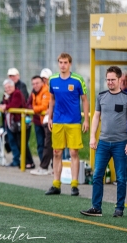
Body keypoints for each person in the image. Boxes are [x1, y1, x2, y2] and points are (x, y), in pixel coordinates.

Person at [80, 66, 127, 217]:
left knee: (121, 177)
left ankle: (119, 208)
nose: (110, 82)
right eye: (108, 79)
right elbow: (96, 117)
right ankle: (96, 207)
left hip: (120, 143)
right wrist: (92, 137)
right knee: (97, 174)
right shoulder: (101, 96)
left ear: (119, 79)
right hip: (103, 142)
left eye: (113, 80)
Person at [45, 53, 89, 196]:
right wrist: (50, 117)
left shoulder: (77, 80)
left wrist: (86, 120)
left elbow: (84, 99)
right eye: (60, 62)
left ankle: (74, 185)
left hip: (74, 122)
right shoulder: (52, 80)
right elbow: (51, 100)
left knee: (73, 153)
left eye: (65, 62)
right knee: (56, 152)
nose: (63, 65)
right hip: (57, 121)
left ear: (70, 64)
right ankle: (56, 184)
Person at [0, 79, 26, 167]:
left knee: (20, 142)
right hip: (9, 123)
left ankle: (25, 161)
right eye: (6, 87)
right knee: (12, 142)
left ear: (13, 86)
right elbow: (3, 103)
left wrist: (5, 106)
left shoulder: (17, 93)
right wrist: (2, 105)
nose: (8, 89)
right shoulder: (6, 94)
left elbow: (14, 105)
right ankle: (16, 160)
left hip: (18, 122)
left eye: (9, 87)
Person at [29, 76, 52, 175]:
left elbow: (43, 106)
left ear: (43, 82)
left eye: (37, 83)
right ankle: (45, 166)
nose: (35, 85)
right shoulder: (34, 92)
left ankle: (45, 167)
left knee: (49, 145)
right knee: (44, 144)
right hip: (43, 120)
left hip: (51, 120)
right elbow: (28, 104)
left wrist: (33, 109)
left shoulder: (46, 90)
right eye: (33, 84)